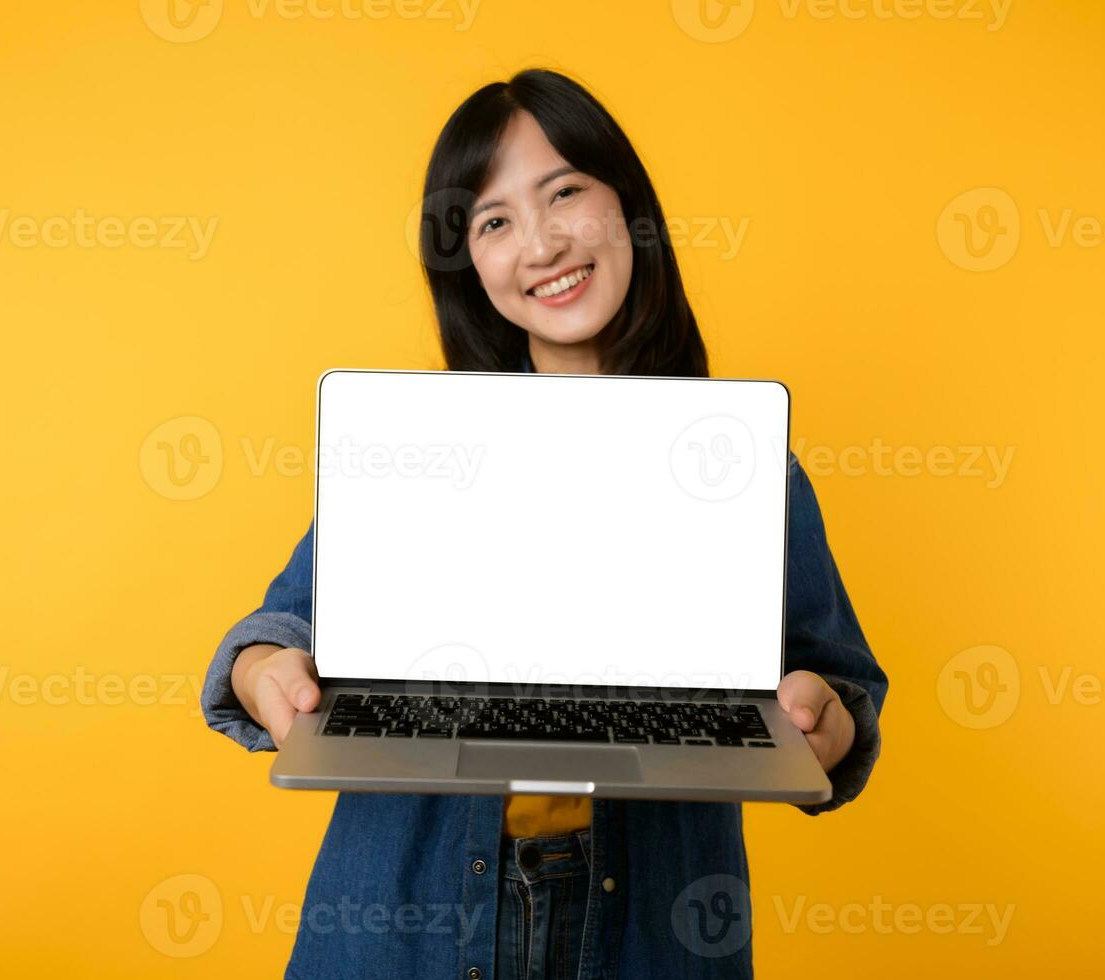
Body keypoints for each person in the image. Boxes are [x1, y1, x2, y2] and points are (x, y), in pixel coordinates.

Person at [201, 68, 888, 980]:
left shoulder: (744, 463)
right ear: (469, 268)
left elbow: (836, 681)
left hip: (653, 935)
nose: (542, 242)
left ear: (627, 209)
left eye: (565, 191)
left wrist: (827, 722)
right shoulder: (419, 454)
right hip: (407, 929)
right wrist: (263, 672)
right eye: (494, 221)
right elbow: (280, 626)